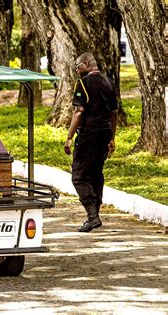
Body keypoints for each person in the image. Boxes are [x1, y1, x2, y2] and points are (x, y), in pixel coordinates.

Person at [64, 52, 117, 232]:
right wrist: (112, 137)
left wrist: (69, 137)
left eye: (78, 66)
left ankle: (92, 216)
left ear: (86, 64)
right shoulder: (109, 81)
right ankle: (95, 215)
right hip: (105, 132)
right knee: (96, 173)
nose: (77, 70)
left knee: (79, 176)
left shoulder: (84, 82)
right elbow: (114, 113)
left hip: (89, 134)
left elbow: (79, 111)